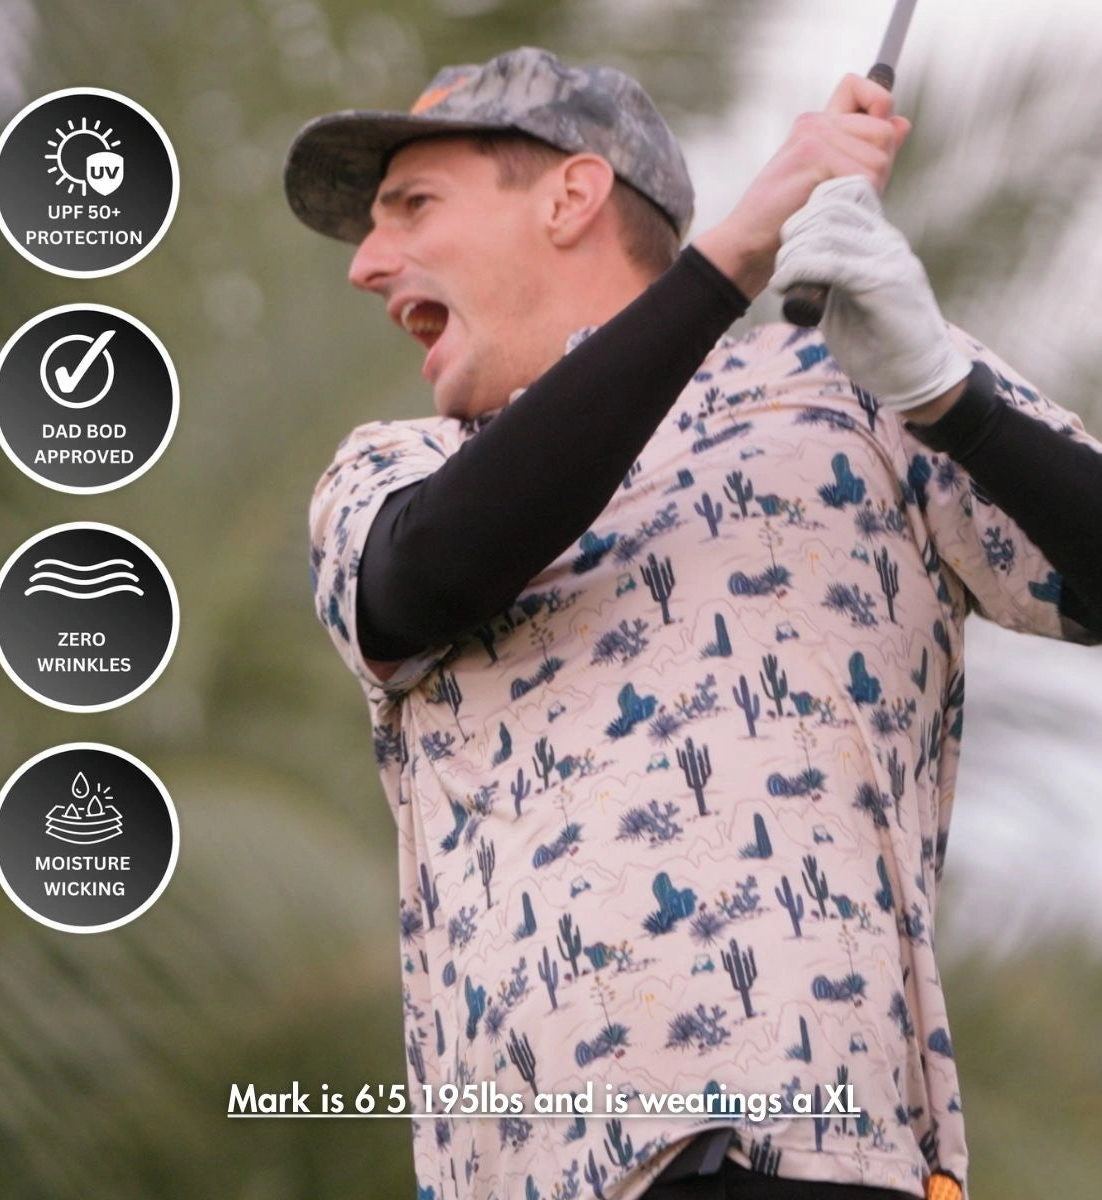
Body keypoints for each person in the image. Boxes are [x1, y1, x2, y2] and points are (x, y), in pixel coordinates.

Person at [286, 46, 1101, 1200]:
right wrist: (735, 256)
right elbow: (432, 575)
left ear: (572, 196)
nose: (368, 264)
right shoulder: (395, 471)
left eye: (413, 205)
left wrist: (947, 397)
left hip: (814, 1161)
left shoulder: (852, 385)